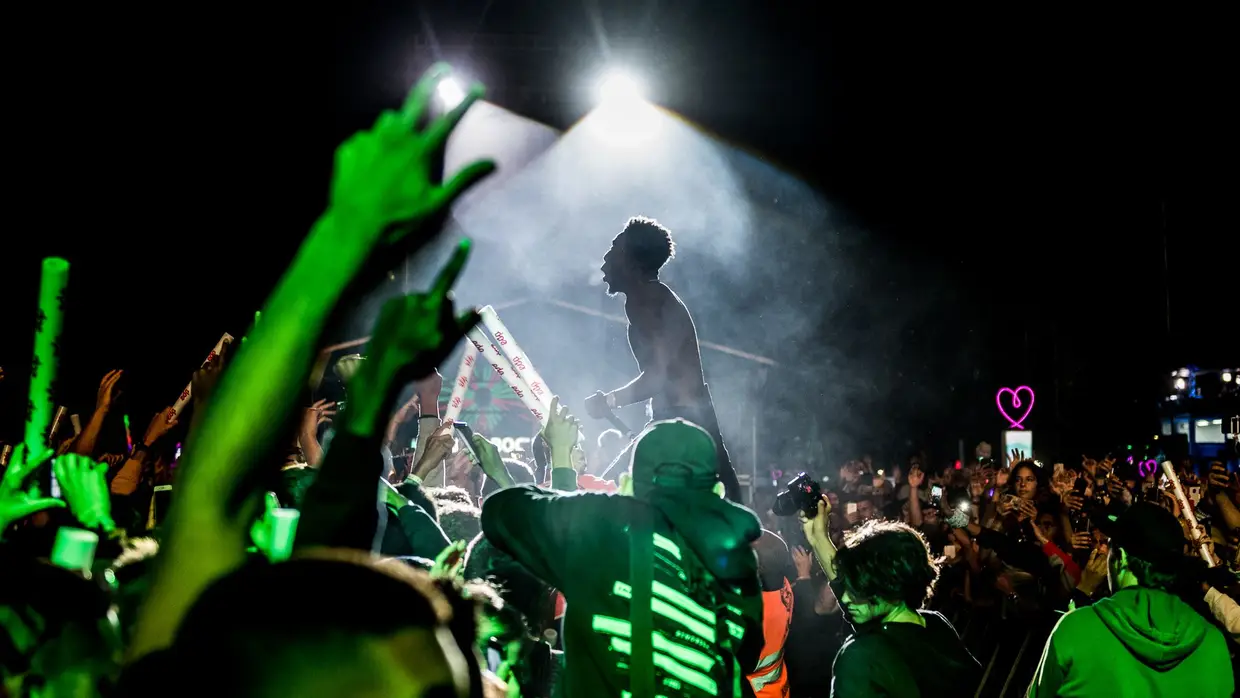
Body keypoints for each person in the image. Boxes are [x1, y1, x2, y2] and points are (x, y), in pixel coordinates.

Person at [480, 419, 765, 698]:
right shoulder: (738, 562)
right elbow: (749, 656)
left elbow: (499, 510)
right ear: (717, 492)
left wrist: (594, 501)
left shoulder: (602, 528)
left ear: (627, 486)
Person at [585, 216, 741, 501]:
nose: (605, 258)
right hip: (682, 419)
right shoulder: (647, 297)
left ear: (630, 260)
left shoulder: (647, 299)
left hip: (683, 424)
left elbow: (657, 376)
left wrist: (609, 401)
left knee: (608, 495)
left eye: (613, 248)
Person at [1027, 502, 1232, 698]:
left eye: (1108, 546)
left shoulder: (1074, 629)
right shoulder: (1213, 641)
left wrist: (1082, 592)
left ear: (1122, 558)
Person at [799, 497, 980, 697]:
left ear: (889, 586)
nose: (847, 598)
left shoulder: (861, 656)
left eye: (860, 589)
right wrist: (819, 539)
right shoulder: (935, 624)